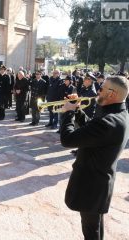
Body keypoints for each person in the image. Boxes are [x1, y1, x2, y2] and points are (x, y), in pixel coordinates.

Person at [60, 75, 129, 240]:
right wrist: (77, 110)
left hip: (92, 186)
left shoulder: (109, 121)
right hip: (98, 183)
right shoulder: (118, 114)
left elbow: (67, 140)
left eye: (101, 88)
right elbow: (91, 129)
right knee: (94, 228)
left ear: (112, 93)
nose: (98, 90)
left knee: (91, 232)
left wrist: (68, 113)